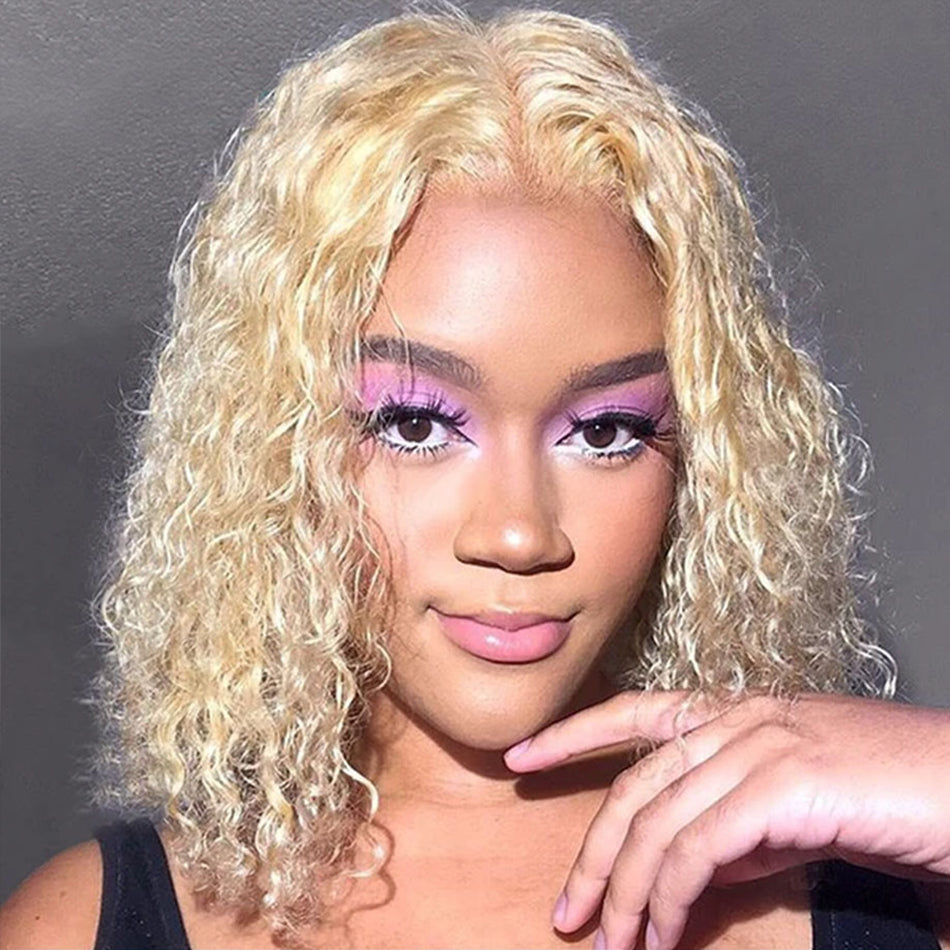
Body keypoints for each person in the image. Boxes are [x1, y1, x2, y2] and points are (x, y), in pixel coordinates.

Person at [1, 7, 948, 950]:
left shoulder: (893, 901)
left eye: (607, 431)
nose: (518, 534)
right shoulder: (77, 926)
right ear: (273, 444)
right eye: (415, 425)